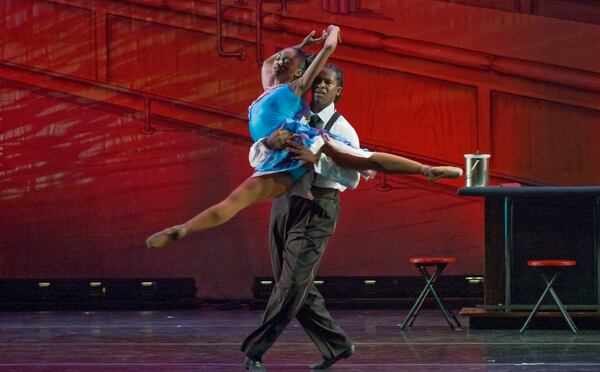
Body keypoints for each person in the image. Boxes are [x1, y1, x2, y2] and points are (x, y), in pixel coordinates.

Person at [146, 26, 462, 250]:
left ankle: (425, 170)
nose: (280, 61)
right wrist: (299, 46)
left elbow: (330, 47)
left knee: (360, 157)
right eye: (280, 57)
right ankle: (182, 229)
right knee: (233, 202)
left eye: (289, 61)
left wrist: (330, 33)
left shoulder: (294, 89)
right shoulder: (267, 88)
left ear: (300, 75)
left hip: (303, 145)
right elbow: (269, 63)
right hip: (277, 158)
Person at [239, 63, 361, 372]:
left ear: (338, 91)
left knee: (291, 284)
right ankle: (336, 345)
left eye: (328, 82)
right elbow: (257, 156)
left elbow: (353, 178)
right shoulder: (293, 117)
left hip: (317, 207)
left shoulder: (343, 130)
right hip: (284, 202)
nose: (320, 86)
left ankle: (255, 351)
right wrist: (268, 144)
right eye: (317, 80)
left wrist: (317, 161)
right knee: (294, 284)